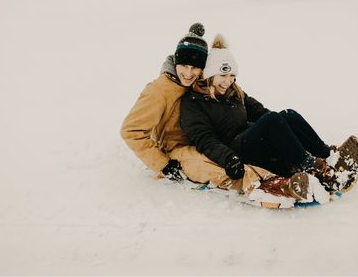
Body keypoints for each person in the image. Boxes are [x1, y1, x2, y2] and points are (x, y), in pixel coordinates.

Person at [120, 23, 307, 197]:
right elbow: (131, 131)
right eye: (184, 66)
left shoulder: (201, 81)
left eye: (195, 67)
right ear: (176, 62)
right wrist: (163, 164)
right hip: (179, 147)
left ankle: (302, 163)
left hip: (211, 136)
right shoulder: (159, 91)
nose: (188, 72)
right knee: (213, 167)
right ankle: (268, 184)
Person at [180, 34, 358, 194]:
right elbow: (205, 140)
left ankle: (328, 156)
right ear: (210, 75)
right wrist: (229, 158)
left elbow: (261, 112)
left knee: (287, 114)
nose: (228, 81)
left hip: (253, 138)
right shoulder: (193, 103)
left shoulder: (234, 91)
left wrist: (285, 128)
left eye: (232, 76)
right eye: (223, 76)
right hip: (236, 151)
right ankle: (316, 170)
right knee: (273, 120)